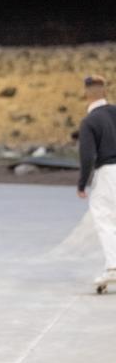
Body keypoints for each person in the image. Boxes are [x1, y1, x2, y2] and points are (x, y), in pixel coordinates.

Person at [77, 75, 116, 287]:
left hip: (109, 172)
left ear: (85, 95)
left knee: (105, 218)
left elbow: (87, 156)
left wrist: (82, 183)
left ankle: (112, 267)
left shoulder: (90, 121)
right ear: (105, 92)